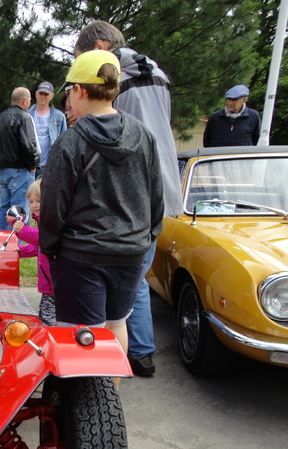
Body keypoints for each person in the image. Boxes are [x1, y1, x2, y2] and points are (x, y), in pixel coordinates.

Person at [39, 50, 164, 383]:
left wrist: (50, 247)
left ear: (80, 90)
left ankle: (87, 409)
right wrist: (147, 236)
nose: (68, 99)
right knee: (116, 323)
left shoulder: (70, 142)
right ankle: (111, 395)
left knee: (80, 333)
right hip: (131, 253)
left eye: (69, 91)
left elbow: (53, 205)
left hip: (82, 256)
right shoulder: (143, 135)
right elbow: (156, 196)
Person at [74, 20, 182, 377]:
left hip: (129, 191)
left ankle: (121, 356)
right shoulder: (157, 72)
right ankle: (142, 351)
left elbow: (115, 138)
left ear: (101, 46)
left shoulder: (114, 77)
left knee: (126, 279)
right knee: (137, 275)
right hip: (163, 185)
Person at [0, 87, 40, 230]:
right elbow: (28, 144)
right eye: (29, 100)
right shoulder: (24, 117)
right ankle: (15, 245)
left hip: (3, 170)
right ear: (25, 101)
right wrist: (33, 163)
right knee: (19, 210)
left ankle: (1, 243)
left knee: (4, 207)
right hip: (20, 169)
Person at [9, 179, 56, 326]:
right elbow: (39, 247)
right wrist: (21, 251)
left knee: (49, 318)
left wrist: (23, 231)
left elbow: (42, 237)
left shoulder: (52, 222)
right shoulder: (43, 221)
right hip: (50, 283)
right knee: (47, 313)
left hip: (55, 283)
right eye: (31, 201)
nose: (34, 205)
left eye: (39, 201)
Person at [28, 82, 67, 180]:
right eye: (41, 93)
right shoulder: (27, 115)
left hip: (49, 165)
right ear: (36, 94)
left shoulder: (59, 116)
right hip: (29, 165)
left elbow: (64, 142)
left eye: (46, 94)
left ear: (52, 96)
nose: (43, 96)